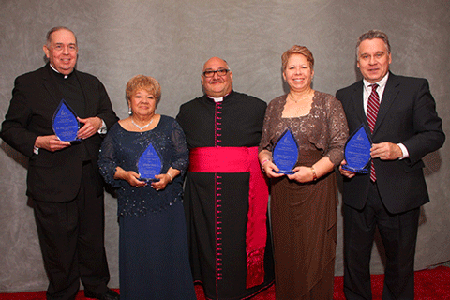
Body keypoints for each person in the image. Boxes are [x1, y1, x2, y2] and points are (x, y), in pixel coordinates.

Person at [0, 27, 119, 300]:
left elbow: (110, 117)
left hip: (90, 177)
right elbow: (9, 128)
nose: (66, 53)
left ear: (77, 50)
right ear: (47, 51)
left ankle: (96, 287)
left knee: (92, 240)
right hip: (51, 179)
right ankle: (63, 293)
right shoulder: (28, 84)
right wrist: (39, 141)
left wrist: (99, 122)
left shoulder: (92, 82)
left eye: (71, 47)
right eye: (59, 47)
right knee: (58, 245)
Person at [336, 30, 445, 300]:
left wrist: (400, 149)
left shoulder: (414, 88)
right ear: (357, 62)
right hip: (357, 192)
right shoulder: (344, 95)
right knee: (354, 264)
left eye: (378, 54)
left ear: (389, 57)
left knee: (400, 266)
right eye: (365, 56)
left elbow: (434, 134)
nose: (372, 61)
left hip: (401, 193)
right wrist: (342, 162)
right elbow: (340, 141)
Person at [176, 57, 275, 299]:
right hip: (201, 194)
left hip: (243, 192)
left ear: (231, 75)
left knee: (237, 245)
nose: (215, 76)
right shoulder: (187, 111)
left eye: (221, 71)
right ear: (202, 79)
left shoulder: (256, 107)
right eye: (209, 72)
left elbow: (272, 143)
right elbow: (175, 151)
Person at [259, 45, 349, 299]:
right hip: (282, 192)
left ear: (312, 71)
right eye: (291, 68)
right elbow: (264, 147)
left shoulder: (329, 103)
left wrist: (313, 172)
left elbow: (340, 146)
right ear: (284, 74)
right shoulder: (274, 106)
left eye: (303, 67)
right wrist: (266, 164)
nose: (297, 73)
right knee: (288, 253)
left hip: (317, 189)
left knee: (315, 253)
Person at [97, 75, 196, 300]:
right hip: (133, 208)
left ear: (156, 100)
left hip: (167, 204)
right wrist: (124, 175)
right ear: (129, 100)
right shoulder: (117, 130)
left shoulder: (170, 124)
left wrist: (169, 177)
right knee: (138, 260)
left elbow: (182, 157)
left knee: (170, 258)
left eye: (150, 97)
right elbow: (104, 163)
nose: (144, 101)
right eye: (138, 96)